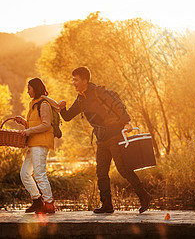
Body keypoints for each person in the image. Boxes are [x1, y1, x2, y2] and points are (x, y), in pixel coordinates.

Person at [43, 66, 151, 214]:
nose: (73, 83)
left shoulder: (99, 92)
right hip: (101, 139)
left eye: (76, 80)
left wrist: (127, 122)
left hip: (114, 135)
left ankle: (145, 196)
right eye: (73, 80)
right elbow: (67, 117)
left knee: (123, 169)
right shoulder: (81, 99)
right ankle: (107, 204)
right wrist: (61, 108)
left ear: (85, 80)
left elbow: (117, 104)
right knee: (101, 172)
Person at [15, 78, 60, 214]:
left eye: (29, 88)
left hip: (41, 144)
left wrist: (28, 131)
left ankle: (49, 203)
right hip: (33, 143)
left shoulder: (44, 104)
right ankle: (37, 200)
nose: (27, 91)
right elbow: (35, 124)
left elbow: (46, 125)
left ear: (35, 88)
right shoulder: (33, 104)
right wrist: (24, 123)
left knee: (40, 174)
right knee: (25, 174)